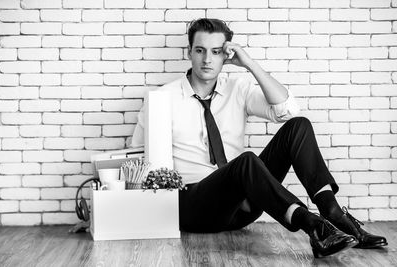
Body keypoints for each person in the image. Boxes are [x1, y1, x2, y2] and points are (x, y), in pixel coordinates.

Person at [131, 18, 387, 258]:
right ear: (189, 52)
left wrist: (250, 64)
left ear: (226, 56)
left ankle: (332, 213)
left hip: (241, 206)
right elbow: (136, 162)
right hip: (194, 204)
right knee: (246, 161)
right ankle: (313, 226)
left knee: (299, 126)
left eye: (216, 51)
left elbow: (287, 109)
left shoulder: (237, 89)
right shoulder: (162, 99)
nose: (207, 59)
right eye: (200, 50)